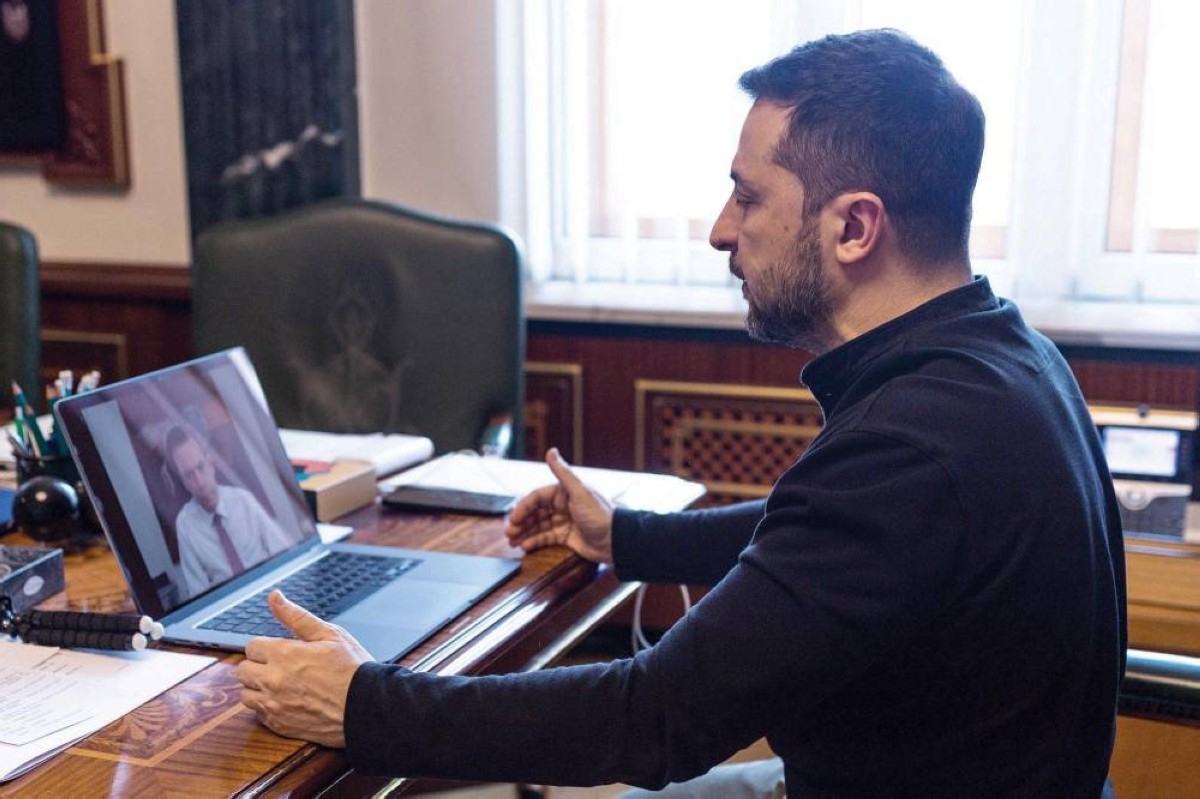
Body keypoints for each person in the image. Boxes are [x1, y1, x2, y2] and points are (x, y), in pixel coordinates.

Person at [236, 29, 1126, 796]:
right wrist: (628, 537)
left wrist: (363, 703)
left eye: (749, 196)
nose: (720, 229)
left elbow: (657, 717)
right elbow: (822, 538)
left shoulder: (912, 445)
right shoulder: (1003, 357)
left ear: (855, 228)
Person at [166, 426, 294, 597]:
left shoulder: (243, 500)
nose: (200, 481)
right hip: (226, 600)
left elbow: (282, 552)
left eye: (200, 467)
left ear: (211, 463)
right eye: (189, 475)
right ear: (183, 481)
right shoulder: (185, 524)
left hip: (269, 588)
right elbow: (198, 591)